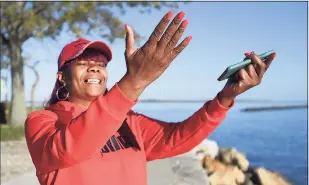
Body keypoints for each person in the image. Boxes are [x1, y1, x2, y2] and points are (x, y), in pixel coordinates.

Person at [24, 11, 276, 185]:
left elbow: (176, 138)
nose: (95, 68)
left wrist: (224, 99)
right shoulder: (43, 121)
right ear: (61, 77)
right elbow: (68, 149)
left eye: (100, 63)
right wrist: (134, 83)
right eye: (83, 62)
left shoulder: (128, 120)